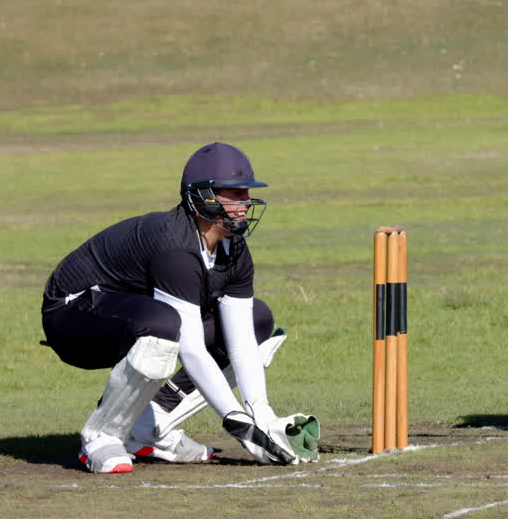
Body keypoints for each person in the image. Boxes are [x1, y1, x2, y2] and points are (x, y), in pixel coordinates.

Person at [41, 142, 314, 474]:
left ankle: (150, 427)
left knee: (259, 319)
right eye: (233, 193)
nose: (244, 203)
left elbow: (240, 342)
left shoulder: (235, 249)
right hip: (72, 317)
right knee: (164, 326)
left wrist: (262, 414)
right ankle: (101, 435)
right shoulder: (176, 246)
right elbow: (191, 348)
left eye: (246, 192)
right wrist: (236, 421)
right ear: (201, 196)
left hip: (136, 315)